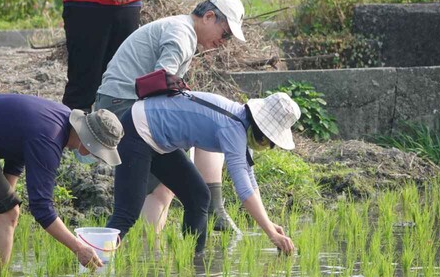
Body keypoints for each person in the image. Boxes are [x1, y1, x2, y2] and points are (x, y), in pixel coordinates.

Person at [95, 0, 246, 233]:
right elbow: (160, 83)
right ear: (209, 16)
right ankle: (149, 254)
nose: (224, 42)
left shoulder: (182, 29)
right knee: (160, 189)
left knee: (166, 187)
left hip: (124, 102)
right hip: (122, 105)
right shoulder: (181, 35)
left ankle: (151, 255)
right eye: (225, 34)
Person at [0, 94, 124, 268]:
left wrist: (7, 193)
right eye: (100, 151)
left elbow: (18, 146)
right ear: (89, 142)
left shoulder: (60, 120)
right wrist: (78, 248)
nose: (98, 157)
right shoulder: (50, 138)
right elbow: (42, 208)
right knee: (7, 211)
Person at [107, 91, 300, 254]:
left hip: (160, 141)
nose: (265, 145)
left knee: (198, 196)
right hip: (138, 130)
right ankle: (95, 262)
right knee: (127, 213)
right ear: (260, 129)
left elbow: (250, 180)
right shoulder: (233, 128)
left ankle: (195, 264)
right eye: (267, 140)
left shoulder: (242, 124)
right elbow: (243, 191)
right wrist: (271, 234)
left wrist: (269, 222)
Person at [62, 0, 141, 112]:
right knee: (84, 84)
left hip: (129, 0)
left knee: (121, 84)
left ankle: (112, 131)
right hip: (87, 0)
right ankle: (73, 132)